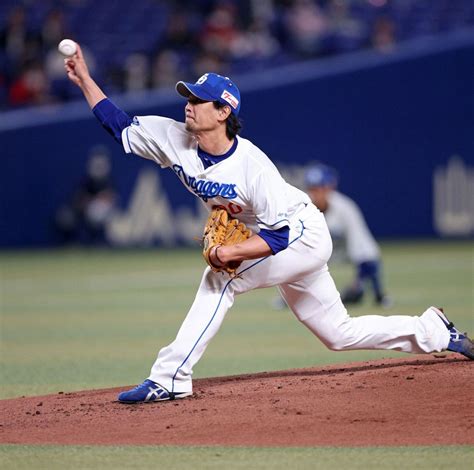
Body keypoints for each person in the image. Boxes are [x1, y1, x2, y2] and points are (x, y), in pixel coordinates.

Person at [63, 43, 473, 404]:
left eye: (198, 99)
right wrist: (84, 78)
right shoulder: (174, 137)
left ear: (224, 111)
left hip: (301, 236)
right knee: (338, 334)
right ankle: (434, 331)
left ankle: (170, 378)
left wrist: (229, 252)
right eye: (188, 95)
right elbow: (118, 125)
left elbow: (278, 236)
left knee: (220, 278)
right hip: (283, 239)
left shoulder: (252, 167)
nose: (188, 103)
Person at [304, 163, 391, 307]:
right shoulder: (303, 206)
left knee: (370, 256)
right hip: (318, 256)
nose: (316, 193)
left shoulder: (345, 208)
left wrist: (358, 282)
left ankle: (379, 294)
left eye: (320, 188)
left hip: (344, 254)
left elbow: (364, 247)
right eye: (312, 189)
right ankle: (290, 298)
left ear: (330, 187)